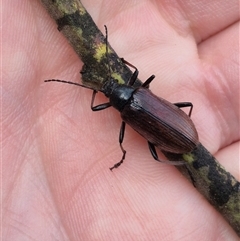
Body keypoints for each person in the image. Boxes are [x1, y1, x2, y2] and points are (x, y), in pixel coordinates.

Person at [3, 0, 239, 240]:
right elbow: (128, 75)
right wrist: (121, 64)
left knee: (157, 155)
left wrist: (97, 89)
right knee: (160, 149)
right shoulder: (138, 93)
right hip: (181, 127)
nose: (108, 88)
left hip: (182, 131)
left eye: (108, 89)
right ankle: (176, 158)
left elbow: (96, 107)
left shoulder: (127, 111)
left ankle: (171, 162)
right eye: (107, 90)